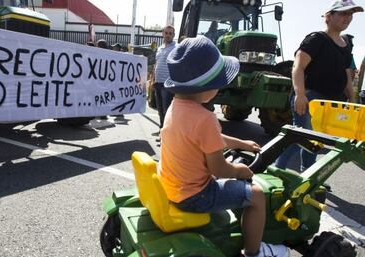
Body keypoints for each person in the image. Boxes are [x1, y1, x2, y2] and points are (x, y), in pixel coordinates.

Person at [158, 35, 289, 257]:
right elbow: (219, 169)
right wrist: (240, 170)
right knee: (257, 194)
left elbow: (208, 138)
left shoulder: (176, 107)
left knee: (238, 185)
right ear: (208, 87)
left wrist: (242, 144)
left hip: (173, 185)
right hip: (195, 196)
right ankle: (253, 251)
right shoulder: (205, 118)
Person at [275, 0, 363, 172]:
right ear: (329, 17)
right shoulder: (317, 39)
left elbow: (346, 76)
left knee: (317, 141)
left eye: (351, 14)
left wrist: (352, 99)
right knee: (300, 136)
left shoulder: (344, 45)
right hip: (310, 97)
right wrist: (300, 94)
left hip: (331, 102)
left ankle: (307, 174)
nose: (348, 18)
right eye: (343, 13)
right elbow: (298, 67)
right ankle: (276, 170)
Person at [153, 25, 176, 140]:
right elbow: (156, 64)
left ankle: (167, 135)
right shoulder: (160, 48)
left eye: (170, 33)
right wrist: (153, 79)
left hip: (168, 84)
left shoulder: (176, 47)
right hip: (158, 82)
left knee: (167, 110)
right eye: (166, 33)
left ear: (173, 35)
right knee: (160, 110)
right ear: (162, 34)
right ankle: (162, 130)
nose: (167, 35)